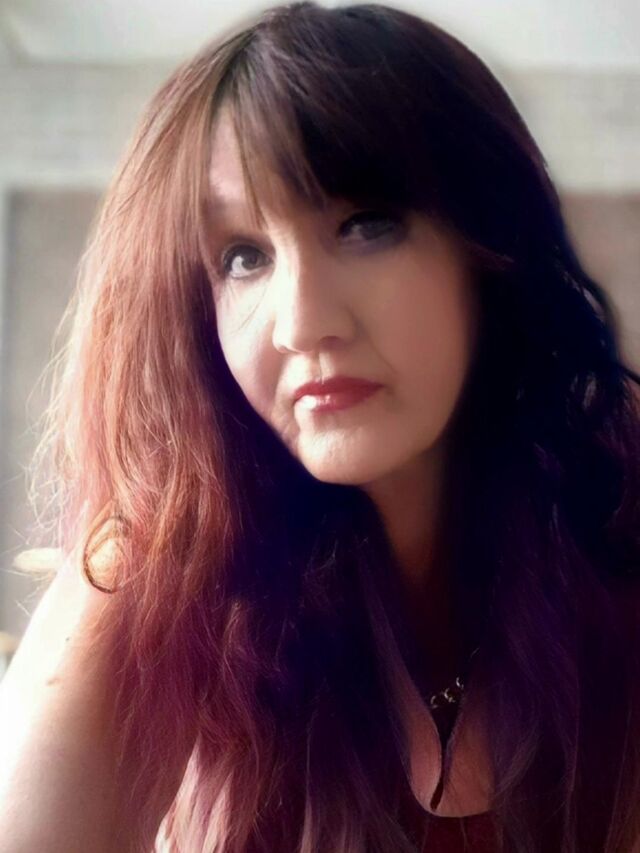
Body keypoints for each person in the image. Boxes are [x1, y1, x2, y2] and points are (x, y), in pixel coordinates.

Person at [1, 2, 639, 851]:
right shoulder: (163, 576)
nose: (302, 322)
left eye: (365, 224)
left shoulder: (615, 526)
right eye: (242, 257)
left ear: (488, 249)